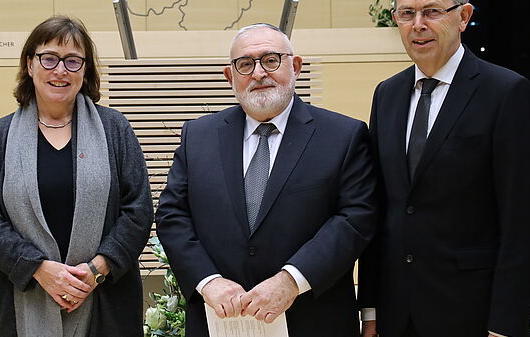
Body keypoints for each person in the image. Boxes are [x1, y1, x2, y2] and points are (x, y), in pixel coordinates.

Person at [357, 0, 530, 337]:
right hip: (397, 313)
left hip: (473, 313)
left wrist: (506, 324)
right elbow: (381, 210)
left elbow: (522, 224)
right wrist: (371, 308)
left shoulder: (507, 94)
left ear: (464, 16)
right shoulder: (387, 95)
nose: (418, 24)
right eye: (407, 13)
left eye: (432, 11)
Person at [155, 23, 377, 337]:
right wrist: (209, 282)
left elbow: (355, 219)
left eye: (271, 60)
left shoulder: (344, 136)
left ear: (295, 66)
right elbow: (171, 216)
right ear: (229, 76)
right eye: (245, 64)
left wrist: (291, 280)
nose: (259, 73)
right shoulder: (197, 137)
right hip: (219, 321)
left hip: (313, 319)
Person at [0, 15, 153, 337]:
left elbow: (137, 210)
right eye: (49, 58)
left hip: (106, 296)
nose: (60, 71)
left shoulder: (115, 130)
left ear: (85, 70)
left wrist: (94, 271)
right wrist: (39, 269)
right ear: (29, 64)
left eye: (72, 61)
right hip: (24, 294)